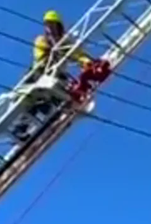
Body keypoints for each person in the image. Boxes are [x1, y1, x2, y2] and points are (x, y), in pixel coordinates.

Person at [13, 10, 95, 140]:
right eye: (48, 25)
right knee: (31, 103)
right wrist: (51, 50)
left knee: (50, 103)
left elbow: (78, 55)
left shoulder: (65, 43)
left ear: (58, 26)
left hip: (56, 76)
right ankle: (20, 129)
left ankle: (53, 121)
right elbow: (40, 55)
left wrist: (87, 62)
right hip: (40, 73)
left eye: (52, 25)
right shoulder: (42, 39)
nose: (49, 28)